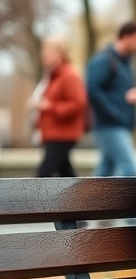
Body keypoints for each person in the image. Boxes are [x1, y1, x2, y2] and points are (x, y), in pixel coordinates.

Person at [86, 21, 136, 176]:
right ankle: (134, 201)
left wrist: (129, 97)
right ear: (125, 37)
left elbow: (114, 92)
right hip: (110, 126)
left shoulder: (125, 64)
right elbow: (92, 89)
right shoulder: (104, 60)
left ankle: (90, 200)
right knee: (132, 168)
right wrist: (116, 112)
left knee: (105, 172)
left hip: (119, 125)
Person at [32, 36, 87, 177]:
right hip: (53, 133)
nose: (44, 54)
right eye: (43, 50)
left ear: (60, 54)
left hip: (62, 134)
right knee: (66, 174)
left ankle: (29, 199)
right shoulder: (52, 76)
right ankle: (80, 199)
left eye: (48, 50)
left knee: (43, 175)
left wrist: (50, 106)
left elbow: (78, 103)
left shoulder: (69, 76)